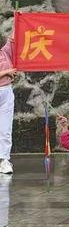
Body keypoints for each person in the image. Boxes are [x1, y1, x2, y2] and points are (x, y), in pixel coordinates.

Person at [0, 35, 15, 175]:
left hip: (6, 91)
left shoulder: (3, 51)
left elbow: (13, 40)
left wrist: (19, 19)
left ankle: (4, 159)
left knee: (5, 128)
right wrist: (7, 72)